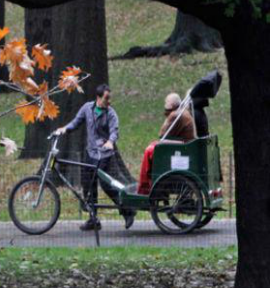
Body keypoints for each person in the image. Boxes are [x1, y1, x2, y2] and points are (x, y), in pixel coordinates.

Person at [55, 84, 136, 231]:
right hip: (90, 155)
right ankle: (93, 219)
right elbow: (76, 122)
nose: (109, 101)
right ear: (98, 98)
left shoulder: (111, 113)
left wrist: (111, 142)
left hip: (106, 156)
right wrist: (64, 129)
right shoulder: (87, 108)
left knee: (108, 186)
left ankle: (128, 212)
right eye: (106, 98)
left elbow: (114, 131)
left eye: (109, 98)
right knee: (88, 187)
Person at [137, 92, 196, 194]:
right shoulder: (183, 112)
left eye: (166, 102)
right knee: (154, 145)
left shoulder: (175, 115)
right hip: (186, 146)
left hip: (183, 147)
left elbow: (162, 134)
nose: (164, 104)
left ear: (171, 105)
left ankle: (144, 187)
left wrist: (168, 114)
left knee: (149, 150)